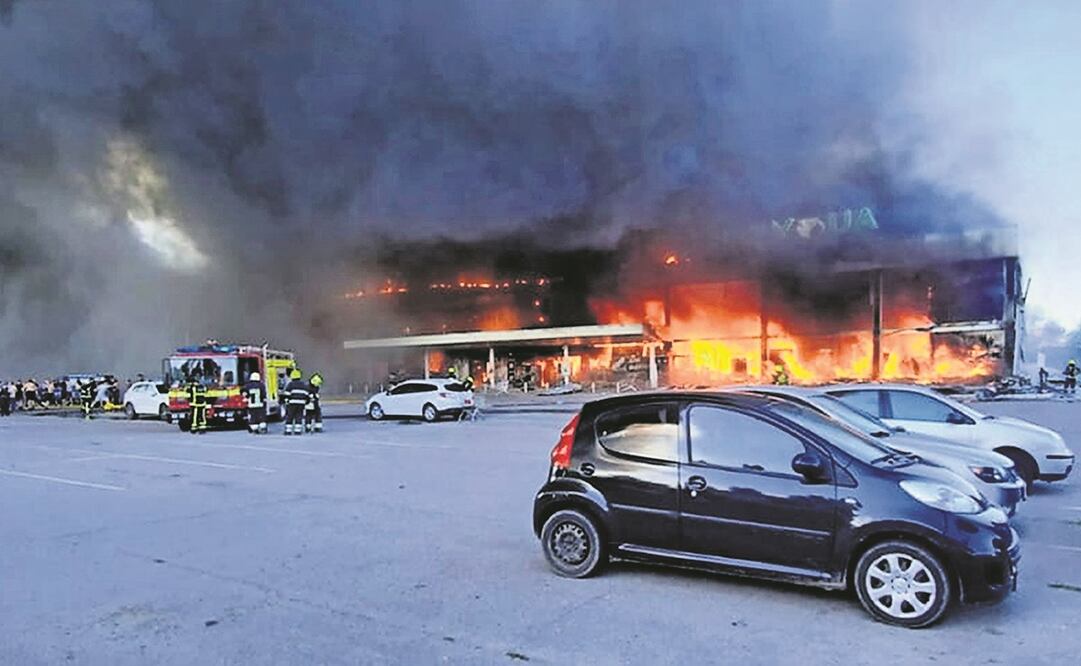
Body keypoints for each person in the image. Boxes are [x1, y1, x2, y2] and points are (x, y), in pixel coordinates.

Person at [283, 369, 309, 436]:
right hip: (301, 404)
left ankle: (288, 431)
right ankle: (298, 431)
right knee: (299, 416)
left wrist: (285, 401)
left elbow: (286, 394)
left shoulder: (290, 384)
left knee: (290, 416)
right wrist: (306, 402)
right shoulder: (304, 385)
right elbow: (307, 395)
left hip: (292, 404)